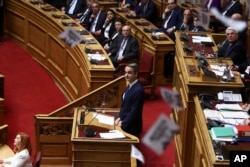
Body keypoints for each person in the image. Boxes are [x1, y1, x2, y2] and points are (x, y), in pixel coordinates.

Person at [115, 63, 144, 137]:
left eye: (129, 73)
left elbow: (135, 111)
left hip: (131, 126)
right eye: (125, 72)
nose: (126, 75)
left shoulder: (138, 90)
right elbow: (125, 106)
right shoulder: (130, 85)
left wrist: (123, 123)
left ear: (136, 74)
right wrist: (120, 118)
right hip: (124, 120)